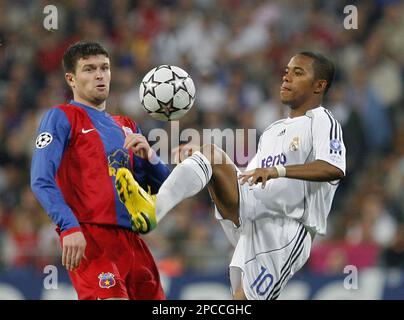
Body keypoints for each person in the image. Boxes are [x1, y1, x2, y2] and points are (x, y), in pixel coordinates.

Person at [115, 51, 346, 300]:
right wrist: (205, 160)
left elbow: (333, 167)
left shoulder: (322, 120)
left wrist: (277, 171)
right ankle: (152, 209)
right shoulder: (273, 129)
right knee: (210, 152)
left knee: (242, 299)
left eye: (298, 73)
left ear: (319, 85)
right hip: (252, 211)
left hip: (286, 227)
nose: (287, 77)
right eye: (287, 71)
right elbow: (252, 176)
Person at [30, 41, 170, 300]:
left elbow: (166, 188)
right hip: (90, 237)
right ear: (71, 79)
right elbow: (41, 180)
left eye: (104, 68)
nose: (99, 75)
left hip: (132, 239)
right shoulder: (61, 116)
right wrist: (68, 226)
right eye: (89, 69)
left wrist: (150, 157)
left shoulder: (127, 126)